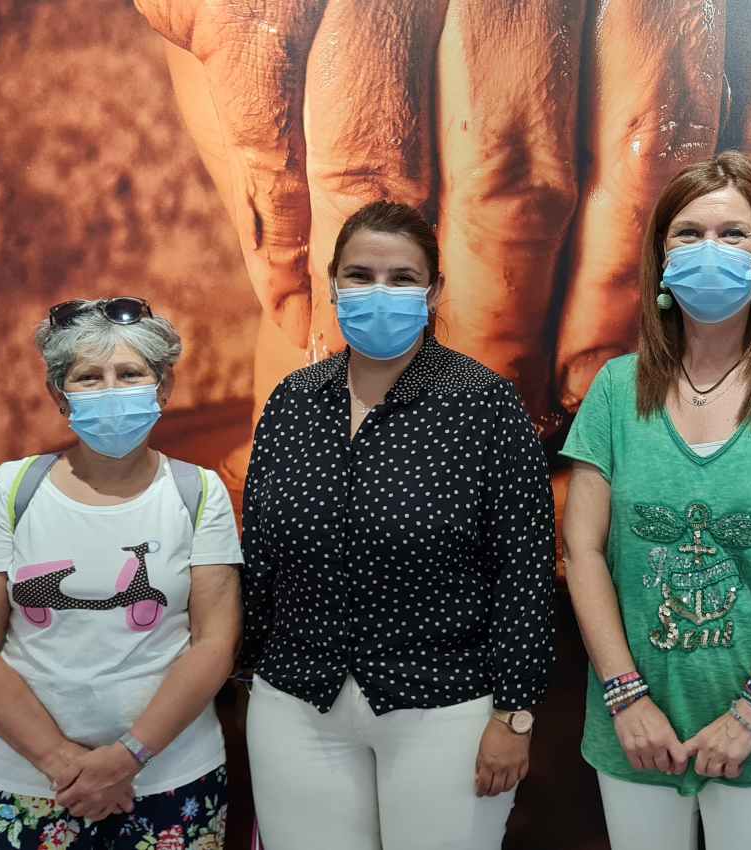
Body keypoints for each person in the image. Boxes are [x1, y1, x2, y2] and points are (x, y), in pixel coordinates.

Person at [560, 151, 751, 850]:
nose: (710, 250)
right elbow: (581, 551)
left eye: (732, 234)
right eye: (687, 232)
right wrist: (624, 698)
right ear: (659, 258)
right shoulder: (614, 391)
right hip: (635, 725)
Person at [237, 200, 556, 850]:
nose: (377, 293)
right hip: (297, 704)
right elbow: (259, 555)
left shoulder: (483, 405)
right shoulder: (295, 401)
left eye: (401, 278)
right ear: (331, 283)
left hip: (445, 708)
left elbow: (525, 573)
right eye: (359, 275)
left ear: (434, 289)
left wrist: (514, 717)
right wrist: (247, 674)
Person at [0, 297, 243, 850]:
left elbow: (214, 643)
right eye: (89, 377)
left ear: (164, 387)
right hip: (30, 787)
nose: (111, 389)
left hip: (172, 781)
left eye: (130, 373)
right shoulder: (7, 491)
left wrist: (126, 758)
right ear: (60, 395)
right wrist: (64, 764)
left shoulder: (200, 493)